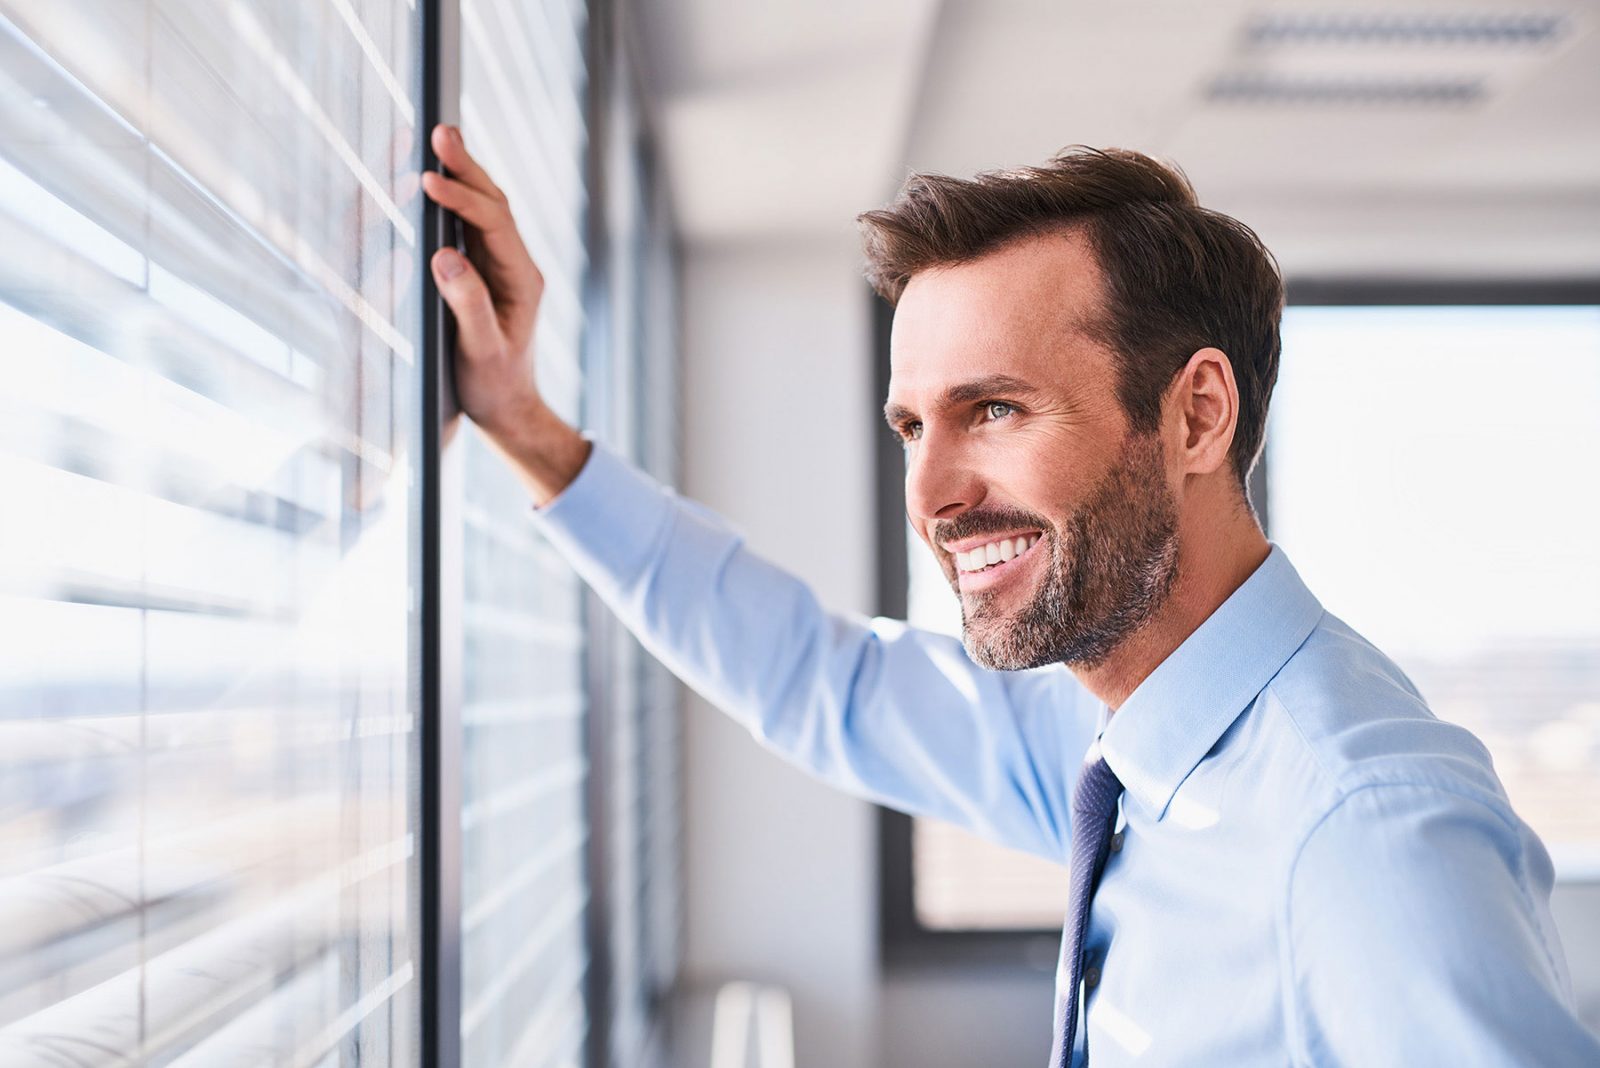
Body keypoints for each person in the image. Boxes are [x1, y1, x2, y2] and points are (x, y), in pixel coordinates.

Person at [419, 122, 1600, 1067]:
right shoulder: (1126, 738)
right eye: (910, 426)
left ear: (1194, 416)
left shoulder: (1358, 828)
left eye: (994, 410)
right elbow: (819, 680)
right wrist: (521, 424)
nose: (930, 490)